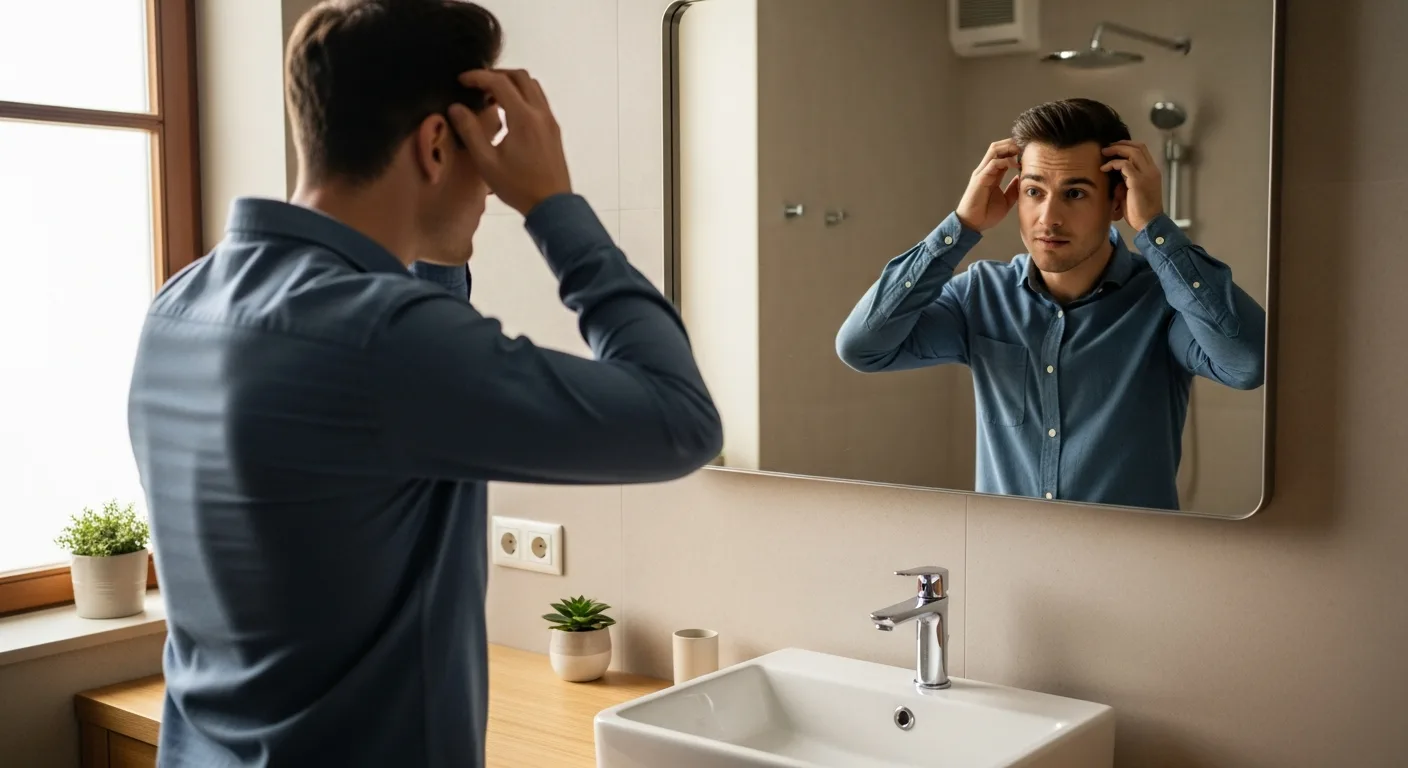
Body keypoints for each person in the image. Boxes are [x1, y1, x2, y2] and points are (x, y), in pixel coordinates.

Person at [126, 1, 722, 766]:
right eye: (482, 150)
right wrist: (553, 206)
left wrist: (439, 244)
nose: (490, 179)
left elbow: (401, 403)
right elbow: (681, 422)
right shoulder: (379, 341)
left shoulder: (181, 306)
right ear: (437, 143)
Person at [835, 98, 1264, 511]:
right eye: (1035, 192)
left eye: (1074, 194)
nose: (1048, 218)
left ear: (1117, 202)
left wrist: (1155, 228)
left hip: (1132, 576)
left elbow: (1249, 363)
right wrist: (960, 228)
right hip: (1012, 574)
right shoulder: (981, 294)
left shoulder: (1163, 304)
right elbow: (862, 347)